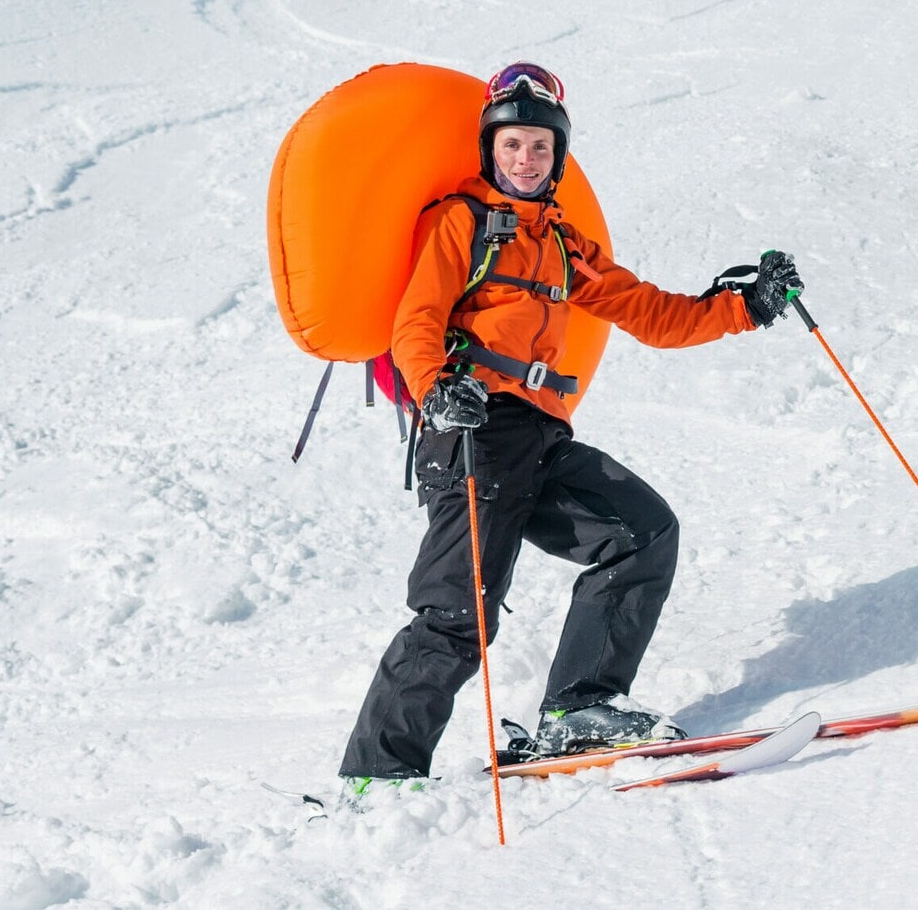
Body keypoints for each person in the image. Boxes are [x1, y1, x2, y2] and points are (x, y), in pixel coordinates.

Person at [338, 62, 803, 790]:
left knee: (641, 532)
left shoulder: (563, 243)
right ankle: (377, 775)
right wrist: (437, 389)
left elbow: (654, 313)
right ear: (492, 149)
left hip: (538, 437)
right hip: (469, 430)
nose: (526, 159)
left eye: (541, 148)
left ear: (557, 159)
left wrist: (745, 306)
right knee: (460, 611)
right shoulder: (461, 220)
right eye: (513, 144)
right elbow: (418, 319)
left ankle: (578, 709)